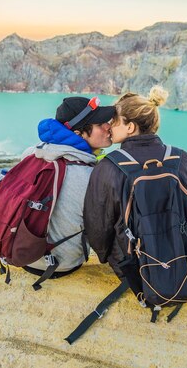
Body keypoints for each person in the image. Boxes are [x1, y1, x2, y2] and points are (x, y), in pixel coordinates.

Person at [83, 86, 187, 280]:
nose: (109, 126)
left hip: (134, 269)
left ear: (130, 127)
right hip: (182, 256)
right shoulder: (182, 158)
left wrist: (107, 257)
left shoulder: (108, 166)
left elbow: (98, 229)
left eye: (114, 121)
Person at [21, 96, 115, 278]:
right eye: (100, 124)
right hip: (64, 263)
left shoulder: (31, 154)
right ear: (79, 134)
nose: (108, 127)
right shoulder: (90, 175)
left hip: (22, 254)